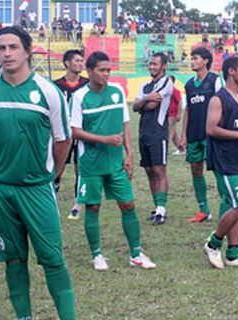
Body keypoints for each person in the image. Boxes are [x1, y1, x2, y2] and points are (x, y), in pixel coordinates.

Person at [0, 26, 76, 319]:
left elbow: (63, 140)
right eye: (2, 48)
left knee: (53, 259)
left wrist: (52, 176)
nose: (7, 53)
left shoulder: (48, 92)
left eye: (13, 47)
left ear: (28, 50)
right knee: (14, 260)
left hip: (37, 188)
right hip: (0, 189)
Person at [70, 51, 156, 271]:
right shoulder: (80, 97)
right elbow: (76, 132)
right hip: (90, 164)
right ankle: (97, 254)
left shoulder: (117, 92)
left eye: (108, 70)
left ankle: (136, 254)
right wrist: (105, 139)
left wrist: (129, 154)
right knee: (93, 207)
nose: (106, 74)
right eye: (101, 70)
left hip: (115, 162)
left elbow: (126, 125)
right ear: (89, 71)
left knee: (128, 203)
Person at [203, 56, 238, 269]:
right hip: (225, 161)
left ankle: (234, 253)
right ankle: (213, 244)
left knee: (233, 205)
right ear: (231, 72)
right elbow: (211, 129)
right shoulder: (218, 99)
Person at [181, 47, 223, 222]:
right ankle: (203, 210)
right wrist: (183, 134)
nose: (192, 61)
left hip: (211, 135)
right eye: (192, 58)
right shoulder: (189, 84)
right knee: (196, 170)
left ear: (205, 61)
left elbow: (223, 105)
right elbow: (188, 110)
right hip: (193, 135)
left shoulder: (215, 80)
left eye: (195, 58)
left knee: (218, 169)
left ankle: (227, 206)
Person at [133, 52, 173, 225]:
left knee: (159, 170)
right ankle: (157, 207)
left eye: (155, 64)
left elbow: (151, 105)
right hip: (144, 132)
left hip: (158, 132)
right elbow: (135, 106)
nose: (152, 67)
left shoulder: (166, 82)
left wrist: (144, 101)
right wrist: (146, 98)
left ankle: (162, 210)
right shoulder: (145, 86)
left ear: (164, 66)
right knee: (149, 171)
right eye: (150, 64)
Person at [53, 49, 89, 220]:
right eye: (77, 60)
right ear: (67, 63)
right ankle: (51, 199)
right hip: (61, 132)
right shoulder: (56, 85)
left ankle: (77, 204)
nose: (81, 64)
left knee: (80, 167)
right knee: (56, 167)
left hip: (81, 131)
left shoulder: (88, 84)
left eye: (82, 61)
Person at [168, 75, 184, 155]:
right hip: (168, 114)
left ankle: (165, 149)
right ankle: (181, 148)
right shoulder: (167, 90)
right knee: (173, 134)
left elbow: (180, 102)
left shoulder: (175, 91)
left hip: (172, 114)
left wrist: (178, 114)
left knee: (169, 132)